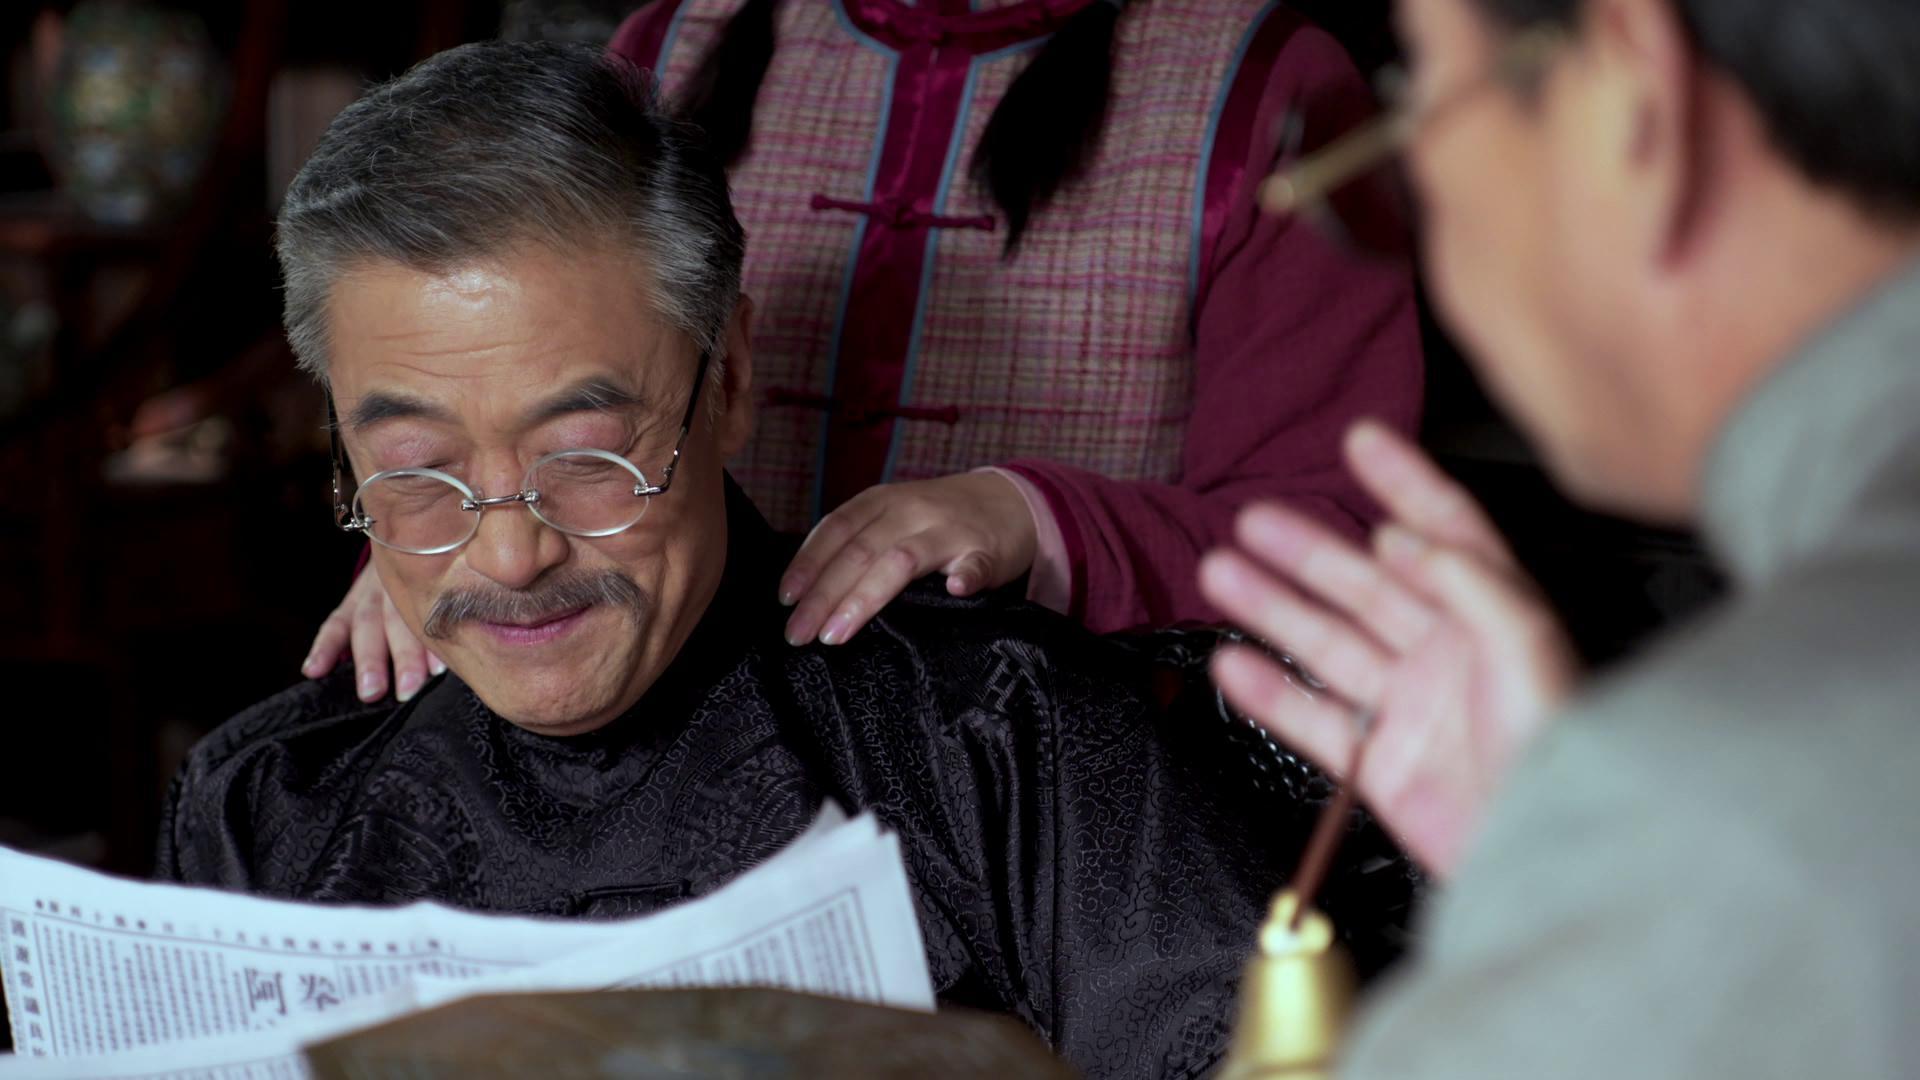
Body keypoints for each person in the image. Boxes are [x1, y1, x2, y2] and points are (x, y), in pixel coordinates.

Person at [158, 41, 1414, 1079]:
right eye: (420, 468)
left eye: (585, 456)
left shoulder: (997, 747)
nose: (512, 549)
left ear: (731, 381)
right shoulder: (273, 799)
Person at [300, 0, 1426, 706]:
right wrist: (426, 555)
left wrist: (1037, 520)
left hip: (1062, 790)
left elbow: (1343, 545)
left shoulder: (1262, 83)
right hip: (686, 744)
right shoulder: (676, 43)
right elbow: (479, 374)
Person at [1199, 0, 1920, 1075]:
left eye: (1419, 105)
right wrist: (1551, 861)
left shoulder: (1721, 818)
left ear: (1629, 101)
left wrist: (1616, 867)